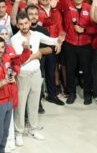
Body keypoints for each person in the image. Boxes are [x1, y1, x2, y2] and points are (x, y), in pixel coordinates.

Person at [10, 12, 63, 144]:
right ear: (17, 25)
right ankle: (19, 132)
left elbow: (52, 40)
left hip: (36, 72)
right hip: (23, 74)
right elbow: (21, 60)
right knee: (21, 104)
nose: (24, 26)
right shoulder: (15, 39)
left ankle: (33, 129)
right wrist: (37, 54)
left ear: (29, 23)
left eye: (26, 23)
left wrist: (60, 40)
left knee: (34, 102)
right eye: (21, 24)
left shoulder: (36, 35)